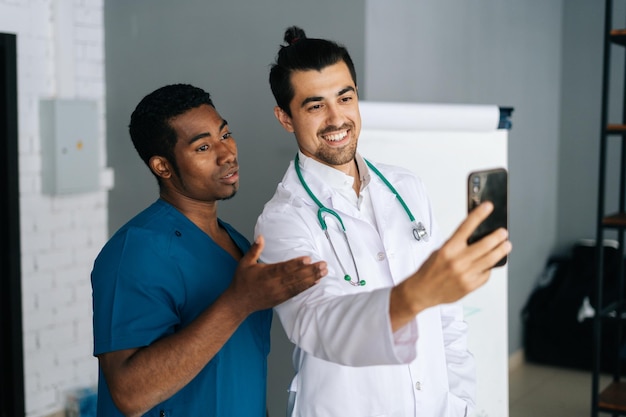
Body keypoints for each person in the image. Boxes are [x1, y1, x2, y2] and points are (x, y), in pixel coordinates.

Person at [254, 26, 512, 417]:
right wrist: (415, 295)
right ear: (285, 118)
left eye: (345, 97)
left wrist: (460, 403)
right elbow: (318, 323)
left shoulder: (407, 187)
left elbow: (447, 321)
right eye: (314, 105)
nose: (336, 118)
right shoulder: (282, 220)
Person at [91, 83, 328, 417]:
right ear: (163, 167)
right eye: (203, 147)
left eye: (225, 134)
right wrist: (238, 302)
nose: (226, 152)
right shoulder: (135, 251)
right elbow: (130, 395)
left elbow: (240, 369)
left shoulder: (238, 244)